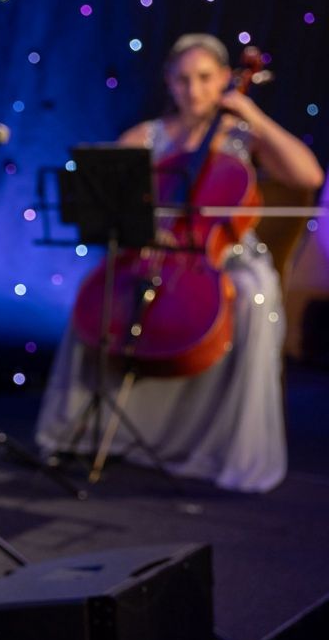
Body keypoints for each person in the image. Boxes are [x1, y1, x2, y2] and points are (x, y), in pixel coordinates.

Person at [36, 33, 324, 492]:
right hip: (154, 251)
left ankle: (216, 443)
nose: (194, 90)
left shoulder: (242, 135)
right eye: (183, 79)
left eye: (205, 78)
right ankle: (86, 429)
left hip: (223, 255)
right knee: (100, 291)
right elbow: (109, 198)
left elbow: (307, 175)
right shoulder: (146, 136)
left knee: (252, 295)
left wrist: (250, 113)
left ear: (224, 79)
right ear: (169, 82)